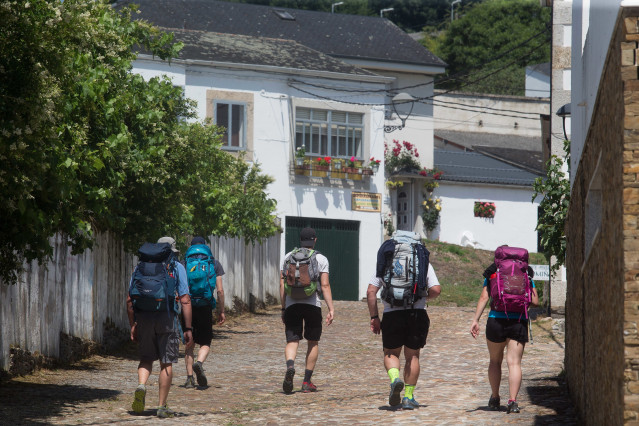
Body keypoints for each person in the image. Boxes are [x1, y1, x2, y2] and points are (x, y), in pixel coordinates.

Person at [367, 246, 441, 410]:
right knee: (413, 356)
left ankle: (394, 379)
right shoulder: (421, 261)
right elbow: (436, 289)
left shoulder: (385, 261)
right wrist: (423, 297)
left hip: (392, 313)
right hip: (417, 313)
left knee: (391, 353)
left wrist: (374, 317)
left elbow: (371, 291)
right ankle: (408, 397)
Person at [127, 236, 192, 418]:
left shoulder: (140, 267)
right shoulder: (176, 267)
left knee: (146, 358)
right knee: (166, 362)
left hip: (144, 318)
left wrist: (133, 324)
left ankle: (141, 385)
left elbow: (129, 300)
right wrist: (187, 328)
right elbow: (185, 299)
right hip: (167, 318)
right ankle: (161, 406)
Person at [469, 261, 539, 414]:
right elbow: (535, 301)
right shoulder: (525, 272)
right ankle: (513, 401)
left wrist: (476, 320)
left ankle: (495, 398)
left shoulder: (494, 273)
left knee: (495, 361)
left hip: (496, 320)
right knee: (514, 363)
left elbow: (483, 297)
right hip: (518, 321)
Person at [280, 227, 335, 394]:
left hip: (292, 303)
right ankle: (306, 381)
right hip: (312, 304)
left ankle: (290, 366)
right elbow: (324, 285)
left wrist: (283, 307)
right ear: (315, 240)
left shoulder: (288, 257)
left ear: (301, 240)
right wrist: (331, 308)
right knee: (313, 341)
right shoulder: (320, 258)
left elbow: (282, 284)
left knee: (292, 340)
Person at [183, 235, 226, 389]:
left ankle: (189, 379)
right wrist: (221, 311)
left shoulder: (185, 263)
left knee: (189, 342)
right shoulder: (214, 263)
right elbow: (220, 291)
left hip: (187, 306)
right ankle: (199, 363)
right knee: (205, 342)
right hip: (206, 305)